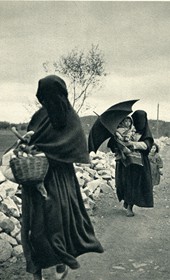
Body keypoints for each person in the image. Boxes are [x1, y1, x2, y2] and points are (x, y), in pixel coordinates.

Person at [19, 75, 104, 280]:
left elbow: (72, 146)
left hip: (59, 180)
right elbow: (32, 140)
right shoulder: (40, 116)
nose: (48, 101)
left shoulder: (70, 117)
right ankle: (37, 269)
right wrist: (26, 147)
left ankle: (59, 264)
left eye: (51, 96)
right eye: (45, 97)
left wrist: (43, 152)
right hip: (36, 178)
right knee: (35, 227)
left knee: (57, 224)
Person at [108, 110, 154, 217]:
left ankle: (130, 206)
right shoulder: (128, 130)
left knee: (134, 185)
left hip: (139, 164)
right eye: (136, 119)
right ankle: (126, 200)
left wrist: (132, 144)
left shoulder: (145, 133)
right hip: (124, 163)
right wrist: (117, 143)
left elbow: (147, 145)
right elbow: (113, 146)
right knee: (123, 183)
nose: (139, 122)